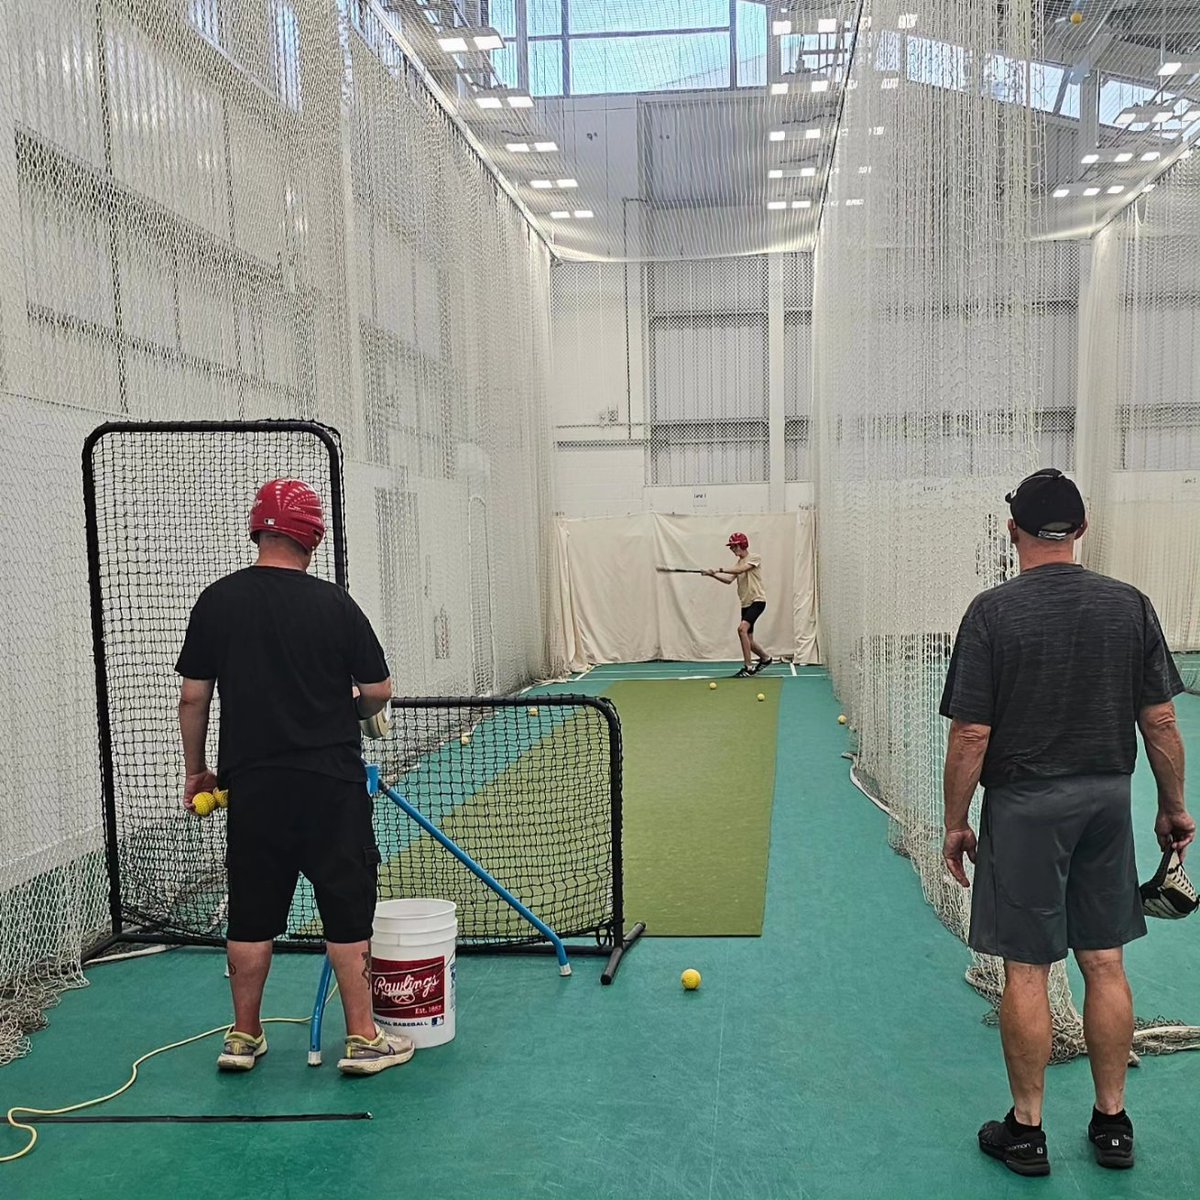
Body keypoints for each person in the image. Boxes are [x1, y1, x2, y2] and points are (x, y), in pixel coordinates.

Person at [939, 468, 1195, 1177]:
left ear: (1012, 531)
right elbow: (1162, 720)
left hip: (1025, 809)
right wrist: (1172, 807)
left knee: (1027, 969)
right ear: (1081, 531)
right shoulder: (1130, 606)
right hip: (1108, 802)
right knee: (1104, 961)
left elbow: (969, 738)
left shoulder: (991, 613)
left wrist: (956, 821)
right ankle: (1112, 1123)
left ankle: (1027, 1132)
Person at [176, 479, 415, 1077]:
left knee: (251, 912)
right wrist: (359, 713)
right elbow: (378, 689)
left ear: (258, 529)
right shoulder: (334, 604)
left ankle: (242, 1036)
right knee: (346, 909)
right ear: (312, 536)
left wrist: (197, 771)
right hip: (329, 785)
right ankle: (362, 1039)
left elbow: (192, 698)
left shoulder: (217, 600)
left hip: (253, 786)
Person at [704, 532, 773, 678]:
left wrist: (719, 569)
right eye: (731, 547)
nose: (732, 549)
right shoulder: (737, 564)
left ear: (742, 544)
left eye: (734, 546)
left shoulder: (754, 557)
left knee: (742, 629)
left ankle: (748, 667)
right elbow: (729, 580)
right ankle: (766, 658)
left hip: (757, 601)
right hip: (746, 603)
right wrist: (712, 574)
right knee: (748, 639)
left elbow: (741, 570)